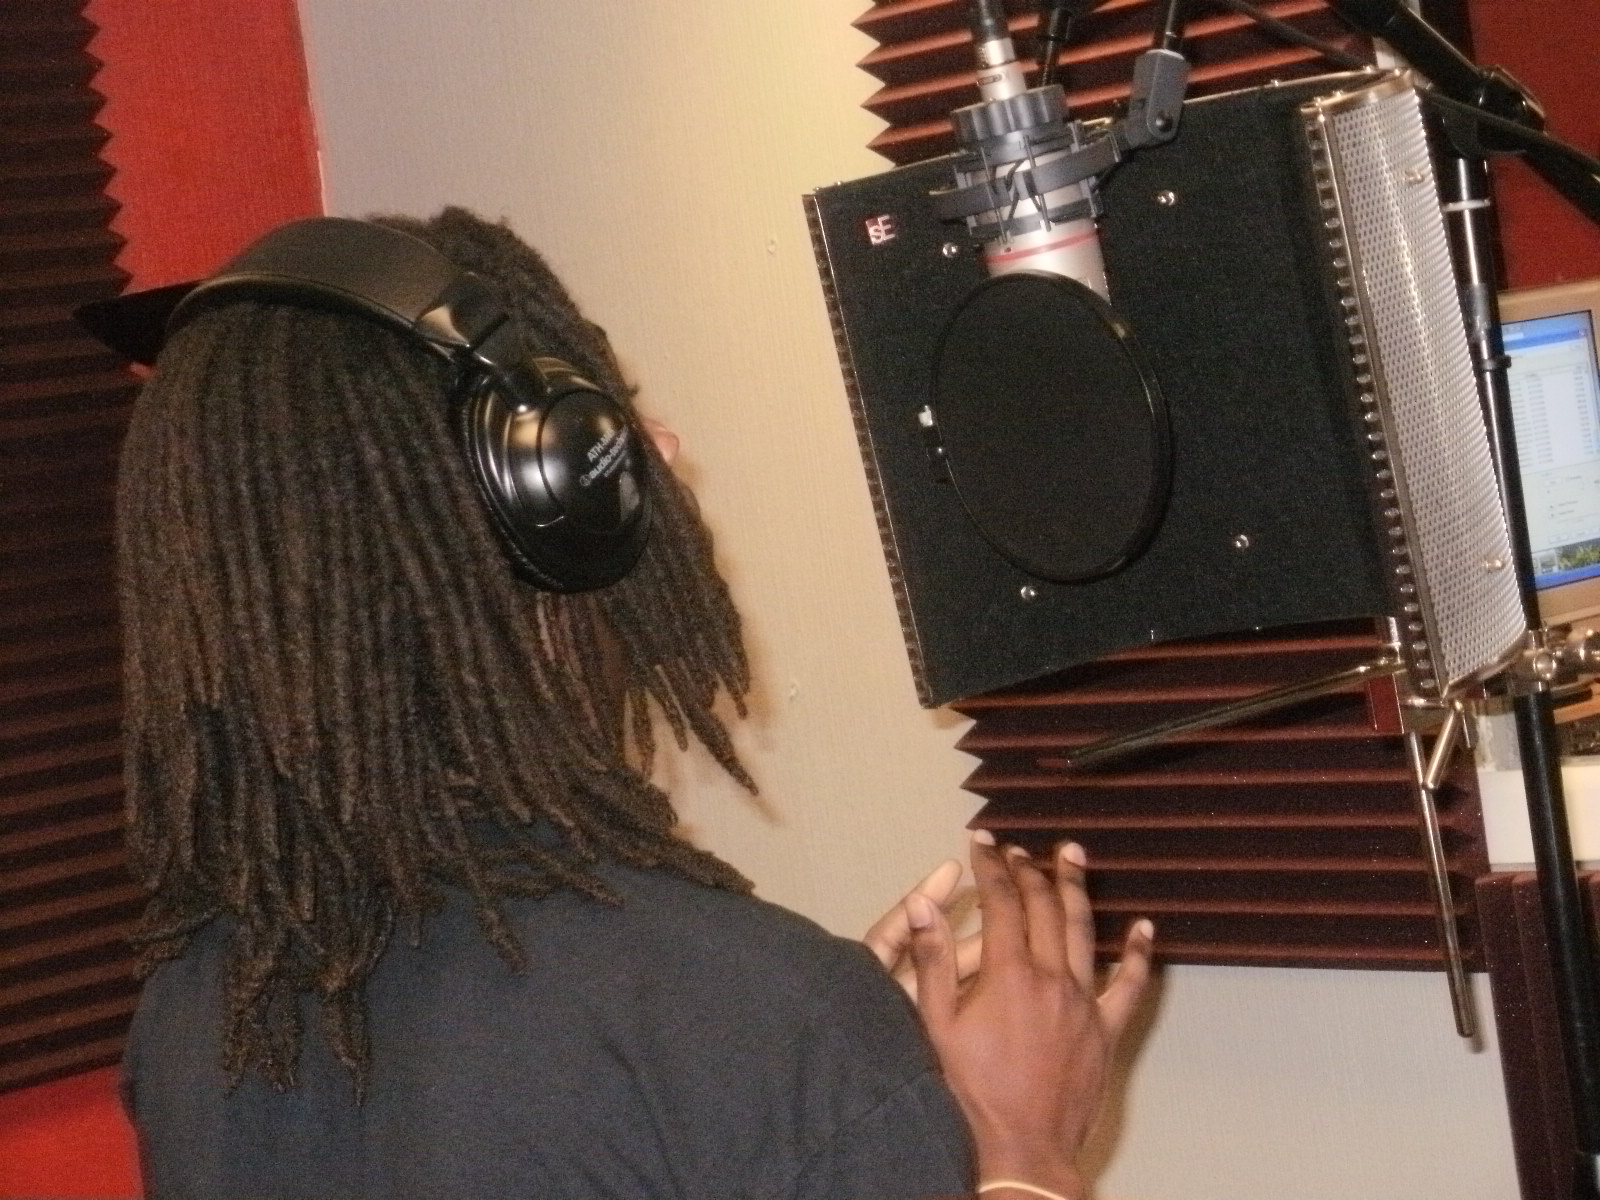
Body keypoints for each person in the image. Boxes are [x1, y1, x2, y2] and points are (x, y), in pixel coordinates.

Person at [102, 206, 1152, 1199]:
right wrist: (1020, 1148)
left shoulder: (197, 1013)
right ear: (558, 489)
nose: (664, 447)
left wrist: (809, 1088)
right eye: (610, 406)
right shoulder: (758, 1024)